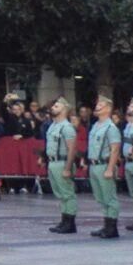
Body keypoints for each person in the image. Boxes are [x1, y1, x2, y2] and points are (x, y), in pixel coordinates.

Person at [85, 96, 123, 238]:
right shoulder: (95, 125)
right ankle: (106, 225)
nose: (97, 107)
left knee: (109, 197)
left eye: (101, 105)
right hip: (94, 164)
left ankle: (112, 227)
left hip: (104, 164)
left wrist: (110, 168)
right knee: (101, 197)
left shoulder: (110, 127)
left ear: (108, 109)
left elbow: (115, 149)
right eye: (97, 104)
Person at [43, 97, 79, 233]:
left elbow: (72, 149)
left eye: (57, 106)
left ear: (64, 110)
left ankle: (70, 223)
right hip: (53, 162)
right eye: (53, 106)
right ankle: (64, 220)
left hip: (62, 162)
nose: (53, 108)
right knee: (60, 194)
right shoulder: (53, 125)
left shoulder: (67, 127)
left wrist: (68, 168)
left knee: (67, 194)